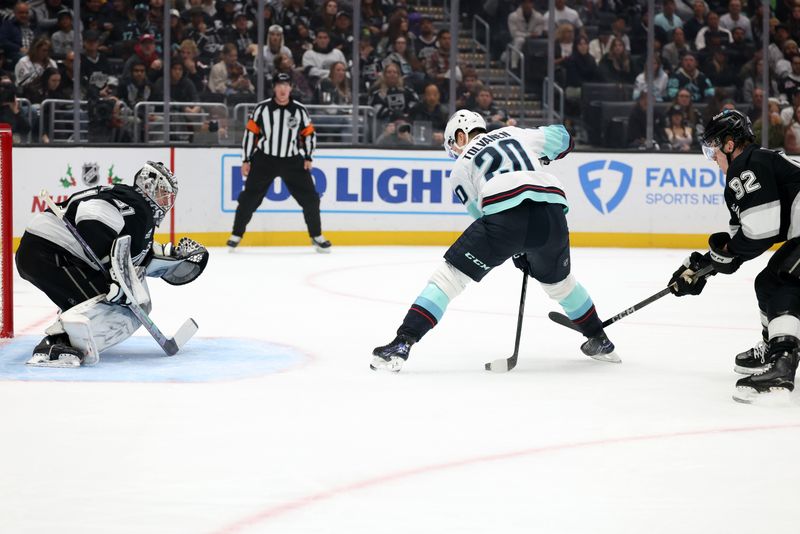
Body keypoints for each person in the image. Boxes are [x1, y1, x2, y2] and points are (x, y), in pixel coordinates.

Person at [371, 110, 620, 372]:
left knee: (449, 278)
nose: (455, 153)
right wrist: (545, 155)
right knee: (561, 285)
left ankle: (402, 343)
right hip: (552, 215)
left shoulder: (460, 168)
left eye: (453, 146)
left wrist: (515, 247)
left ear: (460, 135)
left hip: (505, 217)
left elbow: (482, 215)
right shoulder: (517, 134)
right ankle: (599, 339)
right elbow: (564, 137)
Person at [15, 161, 208, 367]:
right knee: (105, 300)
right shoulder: (135, 204)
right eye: (162, 193)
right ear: (148, 186)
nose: (166, 201)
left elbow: (136, 257)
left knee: (112, 298)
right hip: (47, 249)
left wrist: (173, 257)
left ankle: (69, 333)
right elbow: (90, 215)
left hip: (50, 251)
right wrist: (114, 273)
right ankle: (53, 346)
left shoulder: (140, 215)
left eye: (168, 196)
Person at [667, 110, 800, 402]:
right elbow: (742, 243)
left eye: (712, 149)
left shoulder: (748, 165)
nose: (712, 158)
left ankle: (782, 362)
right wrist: (702, 266)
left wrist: (717, 260)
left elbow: (759, 231)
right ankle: (774, 348)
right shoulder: (751, 168)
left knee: (781, 280)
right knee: (768, 282)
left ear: (729, 145)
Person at [227, 72, 330, 253]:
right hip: (265, 159)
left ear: (291, 87)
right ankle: (236, 234)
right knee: (249, 199)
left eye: (286, 85)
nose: (283, 89)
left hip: (292, 160)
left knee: (311, 199)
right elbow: (250, 135)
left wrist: (308, 156)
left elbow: (309, 134)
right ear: (274, 88)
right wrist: (246, 159)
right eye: (279, 85)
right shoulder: (262, 109)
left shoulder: (299, 110)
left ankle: (317, 236)